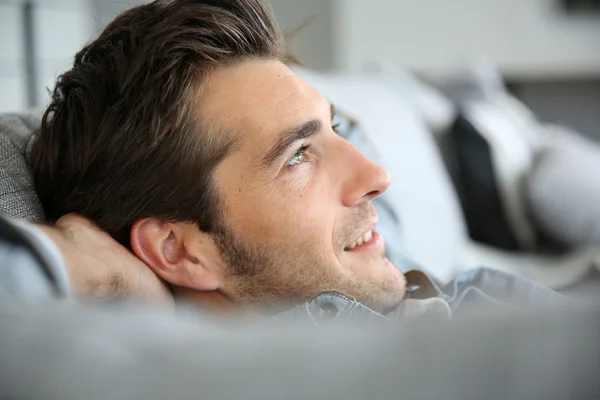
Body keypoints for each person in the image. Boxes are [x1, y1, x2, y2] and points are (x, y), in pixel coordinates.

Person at [25, 0, 563, 317]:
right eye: (299, 155)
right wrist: (107, 281)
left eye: (334, 129)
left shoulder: (467, 298)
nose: (378, 175)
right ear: (179, 250)